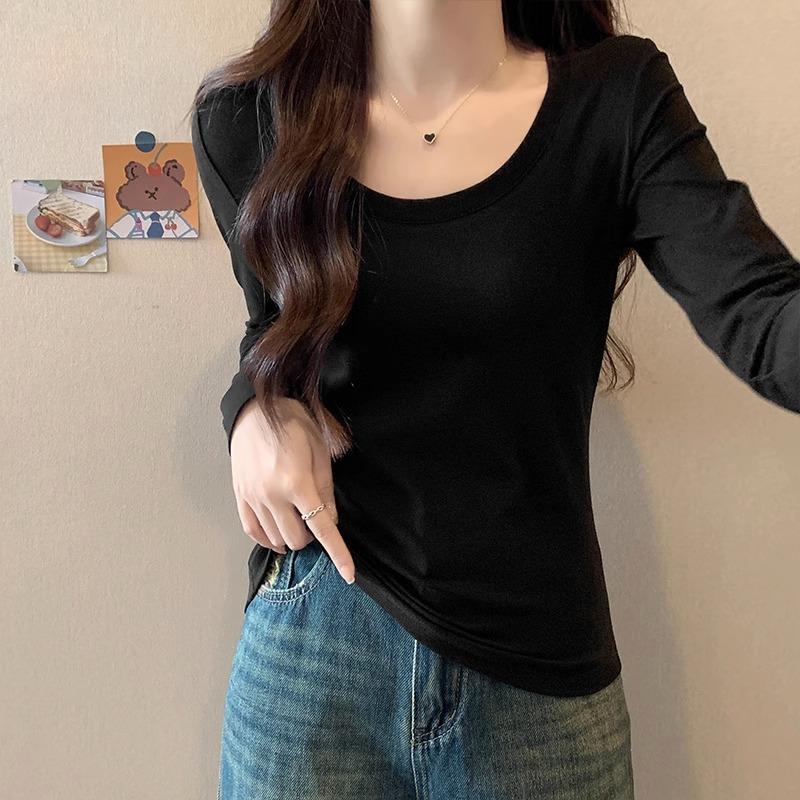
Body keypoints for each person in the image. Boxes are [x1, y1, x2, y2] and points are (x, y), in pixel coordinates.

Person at [189, 1, 800, 798]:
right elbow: (272, 330)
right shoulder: (246, 118)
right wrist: (251, 413)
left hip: (536, 673)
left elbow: (762, 316)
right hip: (315, 643)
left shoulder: (616, 98)